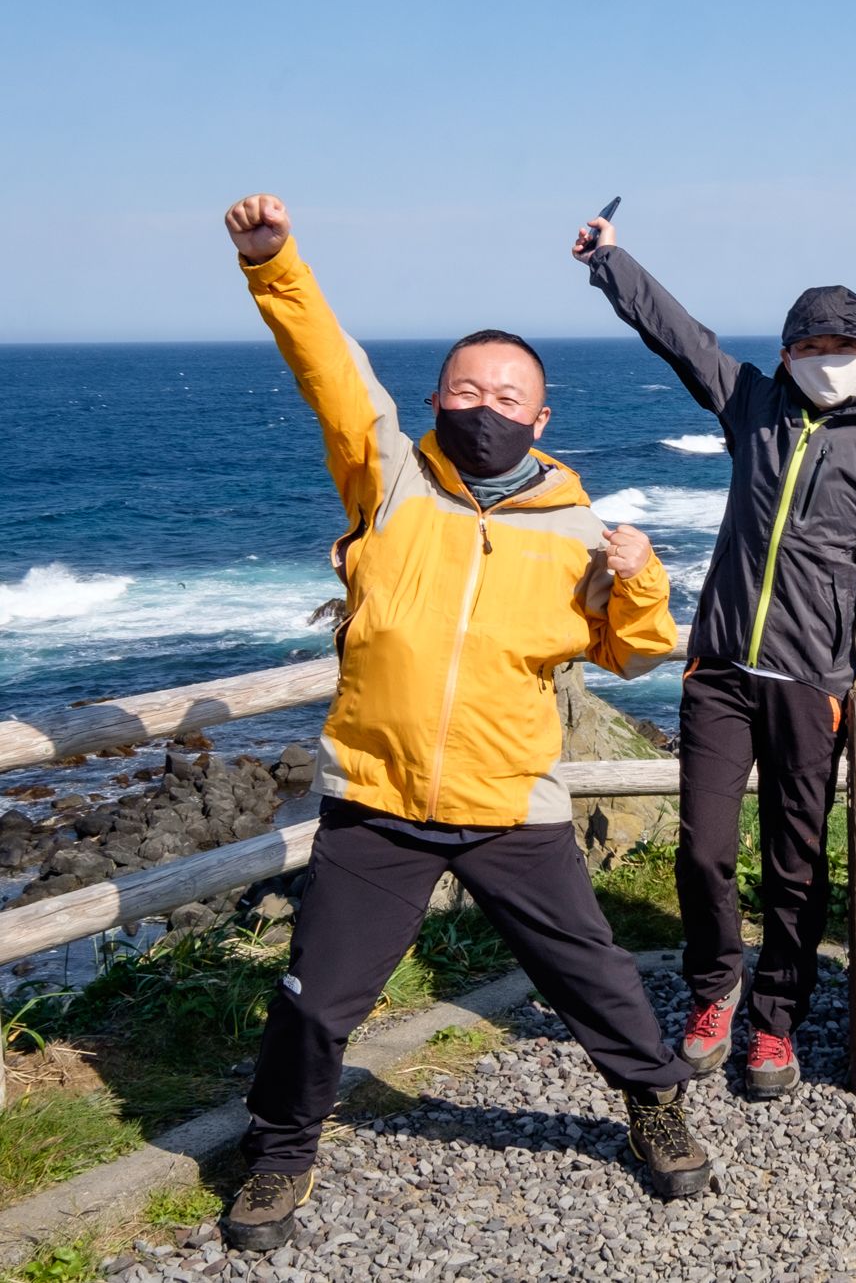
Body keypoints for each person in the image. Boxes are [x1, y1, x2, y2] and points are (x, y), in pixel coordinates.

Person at [217, 195, 710, 1253]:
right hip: (378, 798)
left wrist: (638, 578)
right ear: (437, 397)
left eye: (508, 395)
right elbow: (332, 373)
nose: (484, 405)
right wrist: (275, 265)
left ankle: (652, 1101)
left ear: (542, 415)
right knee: (315, 998)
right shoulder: (391, 480)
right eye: (466, 387)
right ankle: (281, 1147)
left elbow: (633, 649)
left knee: (595, 973)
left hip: (507, 799)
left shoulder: (577, 528)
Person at [572, 213, 856, 1100]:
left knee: (796, 861)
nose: (826, 356)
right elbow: (681, 338)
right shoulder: (755, 404)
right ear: (787, 351)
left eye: (844, 344)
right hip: (720, 671)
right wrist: (612, 261)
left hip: (813, 683)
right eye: (810, 342)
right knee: (704, 850)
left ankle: (777, 1019)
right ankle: (715, 988)